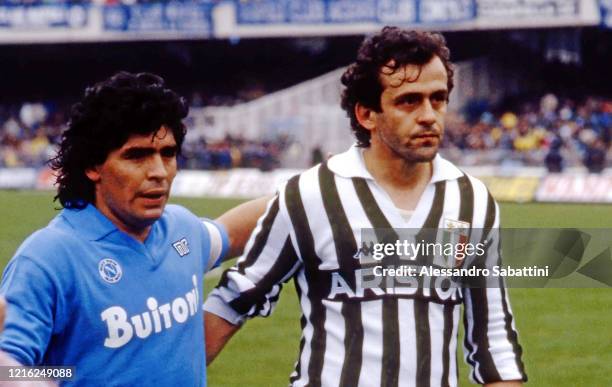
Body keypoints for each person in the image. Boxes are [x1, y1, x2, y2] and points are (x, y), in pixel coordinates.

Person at [204, 27, 527, 387]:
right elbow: (234, 299)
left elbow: (493, 337)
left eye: (438, 99)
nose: (428, 115)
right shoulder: (311, 194)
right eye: (409, 101)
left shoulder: (473, 201)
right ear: (366, 114)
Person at [0, 72, 265, 386]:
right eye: (136, 156)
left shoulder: (180, 229)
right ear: (93, 166)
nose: (158, 172)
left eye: (167, 153)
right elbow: (8, 369)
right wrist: (69, 375)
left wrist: (314, 189)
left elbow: (232, 232)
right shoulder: (49, 259)